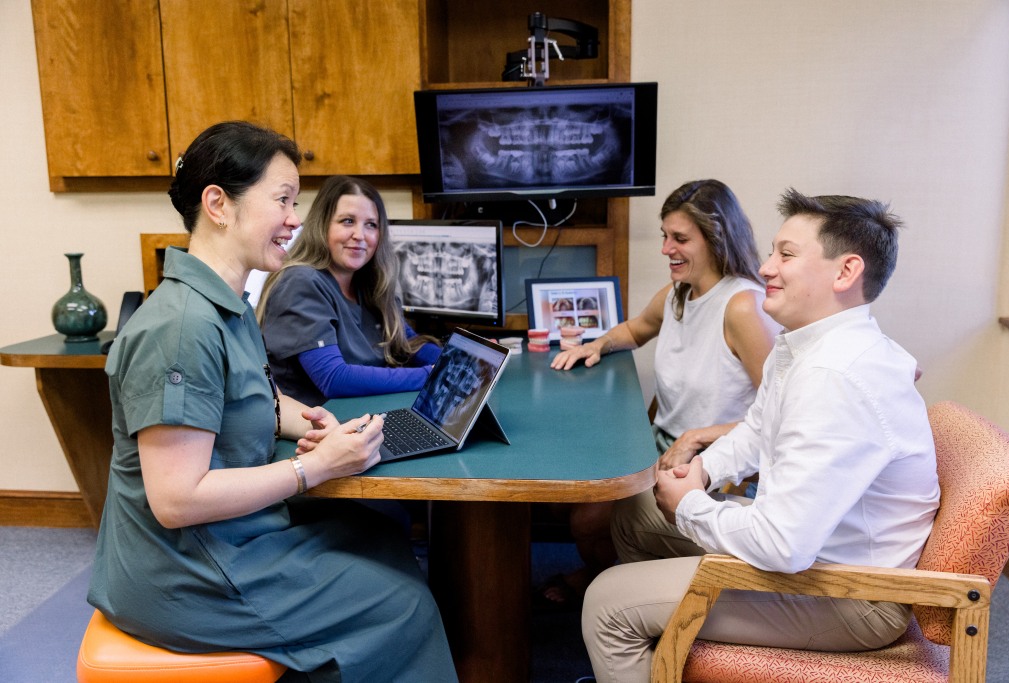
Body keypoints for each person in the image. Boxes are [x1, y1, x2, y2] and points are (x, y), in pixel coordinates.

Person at [87, 121, 457, 683]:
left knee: (378, 532)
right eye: (282, 200)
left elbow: (252, 396)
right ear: (219, 204)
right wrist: (312, 467)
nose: (294, 218)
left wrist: (313, 420)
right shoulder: (182, 327)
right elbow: (176, 500)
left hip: (221, 540)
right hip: (185, 573)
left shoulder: (225, 305)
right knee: (403, 605)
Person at [581, 189, 940, 683]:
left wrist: (690, 506)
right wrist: (704, 470)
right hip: (816, 549)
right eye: (772, 251)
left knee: (606, 601)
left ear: (845, 272)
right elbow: (756, 430)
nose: (766, 267)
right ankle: (666, 652)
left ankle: (637, 629)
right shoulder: (805, 345)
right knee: (635, 513)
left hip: (851, 595)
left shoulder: (837, 376)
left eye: (786, 255)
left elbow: (782, 546)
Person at [540, 180, 779, 607]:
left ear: (716, 238)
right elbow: (634, 330)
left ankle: (617, 587)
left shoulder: (744, 307)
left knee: (588, 517)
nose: (667, 248)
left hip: (715, 470)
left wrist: (700, 437)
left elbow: (780, 416)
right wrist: (597, 344)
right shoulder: (677, 294)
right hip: (661, 452)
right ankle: (613, 579)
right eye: (665, 236)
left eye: (680, 239)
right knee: (569, 494)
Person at [257, 175, 441, 406]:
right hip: (316, 430)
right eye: (347, 221)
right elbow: (334, 378)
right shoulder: (300, 282)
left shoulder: (369, 283)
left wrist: (456, 362)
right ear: (322, 225)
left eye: (371, 225)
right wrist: (432, 375)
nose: (359, 235)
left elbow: (407, 344)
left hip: (364, 414)